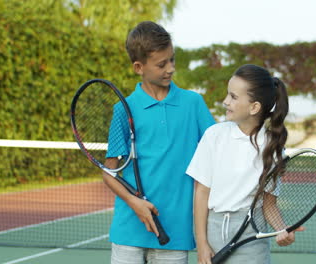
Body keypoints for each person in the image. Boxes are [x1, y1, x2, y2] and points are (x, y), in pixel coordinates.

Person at [103, 21, 215, 264]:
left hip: (175, 233)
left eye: (172, 60)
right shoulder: (124, 110)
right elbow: (109, 172)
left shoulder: (193, 104)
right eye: (162, 64)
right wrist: (135, 203)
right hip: (128, 232)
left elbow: (220, 151)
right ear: (138, 67)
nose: (170, 68)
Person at [186, 64, 304, 264]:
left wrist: (281, 229)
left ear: (254, 107)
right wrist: (202, 243)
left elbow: (269, 205)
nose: (225, 101)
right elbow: (201, 193)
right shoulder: (214, 136)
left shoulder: (272, 147)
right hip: (213, 233)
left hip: (252, 238)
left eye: (233, 97)